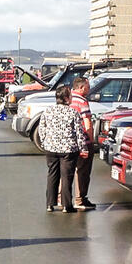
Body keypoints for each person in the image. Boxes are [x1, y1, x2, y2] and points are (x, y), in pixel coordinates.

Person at [38, 85, 88, 213]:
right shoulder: (73, 112)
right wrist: (83, 148)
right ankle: (67, 205)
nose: (71, 98)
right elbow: (79, 132)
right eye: (70, 96)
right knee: (67, 176)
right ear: (66, 98)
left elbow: (41, 129)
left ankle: (50, 204)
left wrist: (45, 142)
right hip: (68, 149)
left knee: (52, 174)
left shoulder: (47, 111)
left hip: (51, 148)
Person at [69, 77, 97, 210]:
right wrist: (90, 140)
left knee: (66, 170)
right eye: (87, 86)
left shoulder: (67, 98)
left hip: (68, 141)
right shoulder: (82, 101)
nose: (89, 89)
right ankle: (80, 200)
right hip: (82, 141)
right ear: (81, 88)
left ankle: (60, 198)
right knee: (83, 171)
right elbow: (87, 122)